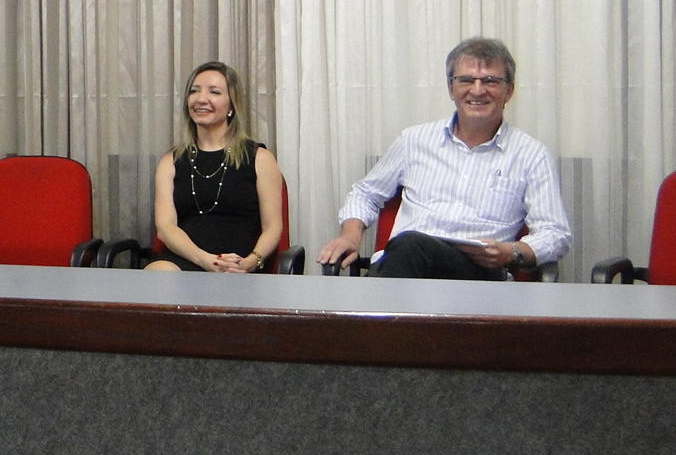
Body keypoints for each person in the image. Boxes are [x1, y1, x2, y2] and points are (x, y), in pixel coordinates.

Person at [316, 37, 572, 280]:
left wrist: (511, 252)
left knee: (409, 246)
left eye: (490, 81)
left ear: (509, 91)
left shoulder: (531, 155)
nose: (477, 90)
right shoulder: (414, 140)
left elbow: (555, 233)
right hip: (404, 266)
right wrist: (350, 236)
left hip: (477, 279)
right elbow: (365, 193)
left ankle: (376, 311)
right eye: (466, 80)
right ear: (451, 89)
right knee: (408, 249)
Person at [145, 61, 284, 273]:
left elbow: (272, 227)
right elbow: (165, 228)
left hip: (238, 265)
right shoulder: (170, 162)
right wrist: (206, 261)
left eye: (214, 92)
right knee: (158, 274)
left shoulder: (260, 159)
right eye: (194, 91)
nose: (201, 99)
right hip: (184, 261)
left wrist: (249, 262)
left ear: (232, 105)